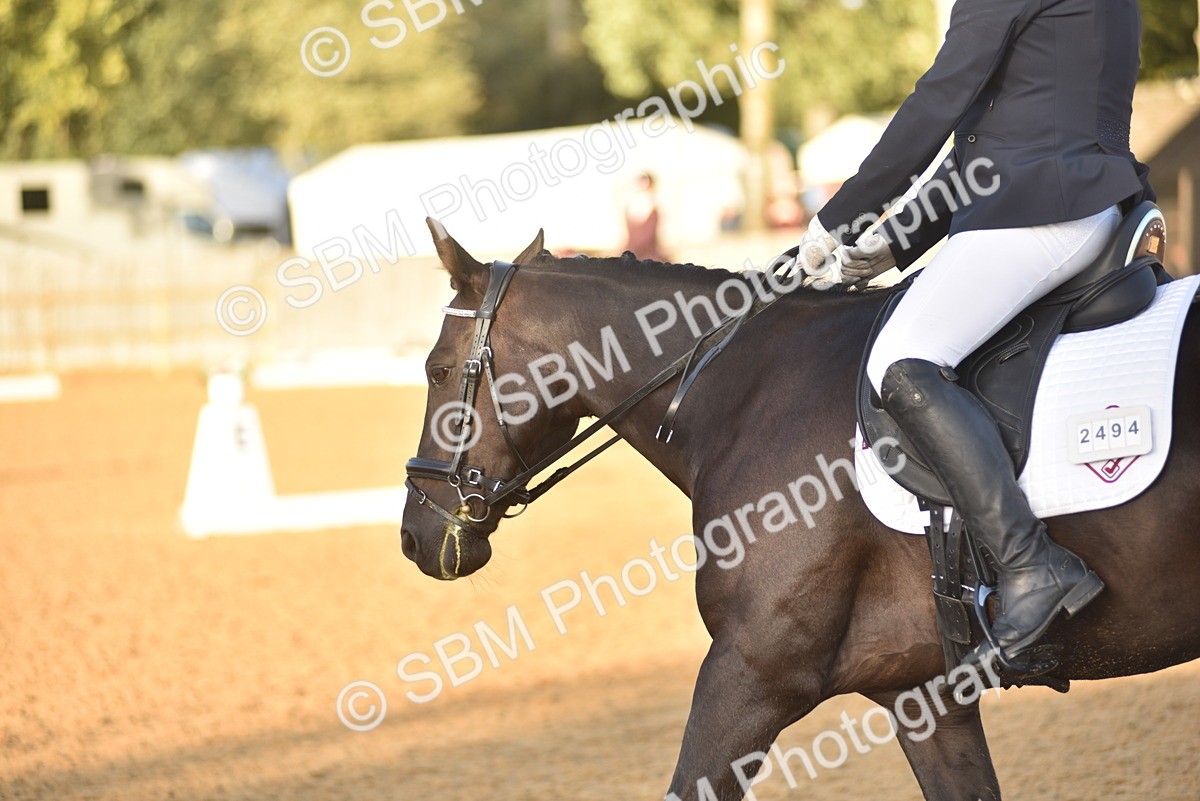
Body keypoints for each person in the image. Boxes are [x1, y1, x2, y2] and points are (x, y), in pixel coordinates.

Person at [788, 0, 1155, 673]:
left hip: (1041, 207)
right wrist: (895, 239)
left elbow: (942, 100)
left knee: (903, 360)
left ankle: (1030, 565)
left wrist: (834, 219)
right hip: (1079, 194)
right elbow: (999, 136)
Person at [623, 172, 667, 262]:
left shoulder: (653, 210)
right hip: (631, 255)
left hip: (648, 257)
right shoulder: (629, 207)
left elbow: (648, 238)